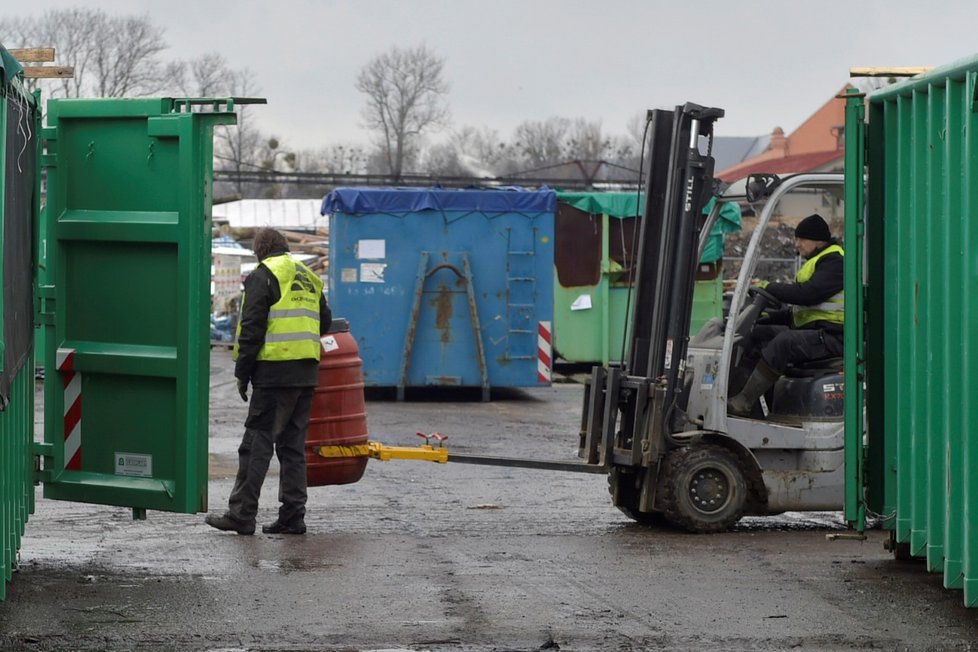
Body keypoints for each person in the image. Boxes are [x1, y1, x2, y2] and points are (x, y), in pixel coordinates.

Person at [205, 228, 331, 535]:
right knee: (292, 448)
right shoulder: (308, 275)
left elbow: (252, 328)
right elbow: (324, 321)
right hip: (305, 375)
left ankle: (242, 514)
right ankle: (292, 516)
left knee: (256, 445)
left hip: (274, 374)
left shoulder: (263, 275)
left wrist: (242, 373)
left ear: (260, 251)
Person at [727, 213, 844, 417]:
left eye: (801, 239)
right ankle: (747, 402)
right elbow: (803, 313)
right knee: (757, 335)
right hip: (817, 332)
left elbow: (808, 295)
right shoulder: (818, 261)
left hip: (834, 338)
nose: (796, 244)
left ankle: (745, 401)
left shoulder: (835, 262)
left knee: (785, 342)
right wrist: (767, 317)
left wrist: (770, 287)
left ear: (819, 241)